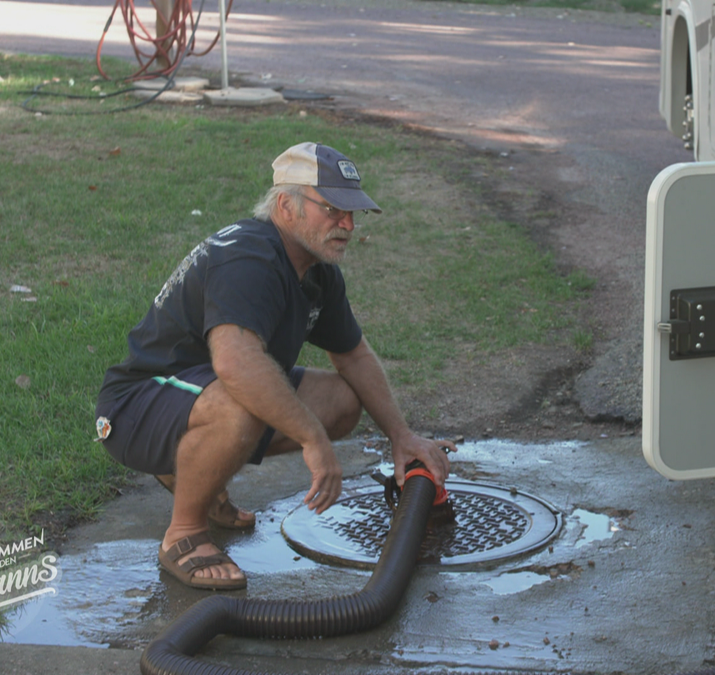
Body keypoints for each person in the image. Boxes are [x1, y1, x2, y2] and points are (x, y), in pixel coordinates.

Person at [94, 142, 455, 591]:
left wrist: (401, 437)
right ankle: (184, 533)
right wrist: (312, 439)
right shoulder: (251, 257)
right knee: (243, 399)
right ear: (287, 205)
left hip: (192, 398)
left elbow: (354, 355)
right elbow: (235, 362)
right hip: (134, 409)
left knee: (342, 401)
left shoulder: (316, 269)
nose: (347, 224)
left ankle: (194, 473)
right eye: (333, 209)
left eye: (353, 212)